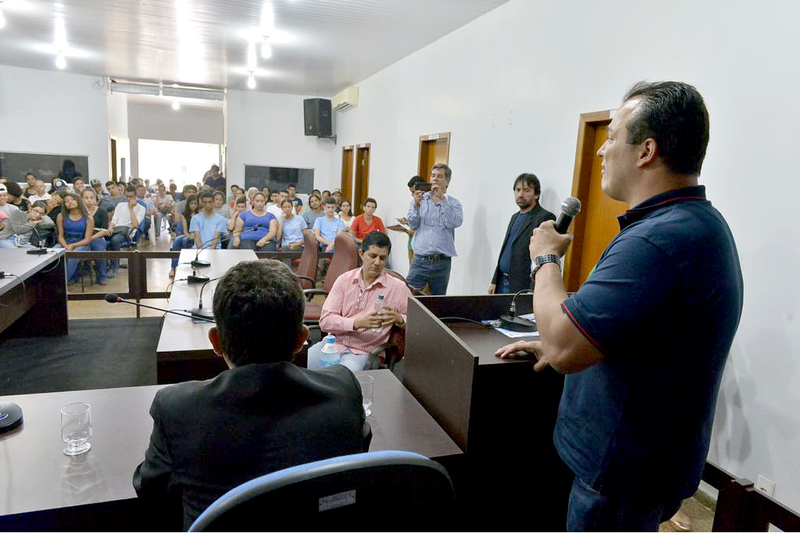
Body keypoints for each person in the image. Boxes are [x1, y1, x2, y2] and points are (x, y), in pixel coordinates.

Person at [495, 81, 744, 532]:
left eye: (611, 136)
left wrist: (545, 259)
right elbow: (641, 333)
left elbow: (565, 347)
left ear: (646, 151)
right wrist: (559, 340)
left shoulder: (657, 240)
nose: (602, 150)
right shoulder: (696, 222)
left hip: (621, 473)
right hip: (642, 466)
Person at [133, 259, 371, 529]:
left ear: (216, 342)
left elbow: (151, 493)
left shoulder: (177, 409)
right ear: (301, 339)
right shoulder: (344, 390)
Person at [307, 231, 411, 372]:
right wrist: (356, 323)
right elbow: (325, 321)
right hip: (333, 344)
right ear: (361, 254)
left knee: (340, 378)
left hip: (364, 352)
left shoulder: (397, 288)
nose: (377, 263)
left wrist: (400, 319)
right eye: (372, 256)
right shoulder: (345, 280)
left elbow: (419, 324)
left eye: (382, 258)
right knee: (301, 366)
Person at [489, 173, 556, 294]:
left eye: (526, 190)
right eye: (518, 190)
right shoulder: (514, 217)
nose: (521, 194)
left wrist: (532, 289)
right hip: (501, 282)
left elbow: (542, 258)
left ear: (536, 194)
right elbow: (506, 249)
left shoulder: (544, 217)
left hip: (522, 286)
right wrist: (494, 280)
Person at [406, 163, 463, 295]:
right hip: (420, 260)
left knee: (438, 301)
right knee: (408, 295)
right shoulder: (419, 200)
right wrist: (416, 205)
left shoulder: (453, 203)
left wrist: (443, 200)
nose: (435, 179)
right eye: (433, 176)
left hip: (442, 263)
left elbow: (455, 222)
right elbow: (412, 224)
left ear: (447, 181)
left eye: (440, 176)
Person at [54, 192, 94, 284]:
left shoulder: (88, 218)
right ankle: (51, 280)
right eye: (66, 201)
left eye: (72, 199)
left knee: (73, 255)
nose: (70, 202)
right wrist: (66, 246)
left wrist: (72, 246)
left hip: (82, 245)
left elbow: (87, 239)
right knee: (54, 252)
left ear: (78, 201)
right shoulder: (61, 216)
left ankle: (62, 283)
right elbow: (60, 236)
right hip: (65, 243)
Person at [108, 185, 146, 277]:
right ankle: (109, 264)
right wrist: (110, 227)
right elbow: (114, 219)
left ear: (135, 196)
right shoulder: (120, 205)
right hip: (116, 229)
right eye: (127, 196)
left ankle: (114, 267)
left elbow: (135, 225)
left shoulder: (141, 208)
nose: (129, 199)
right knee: (103, 239)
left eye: (131, 197)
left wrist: (131, 208)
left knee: (115, 240)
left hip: (127, 232)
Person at [81, 188, 110, 285]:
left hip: (97, 237)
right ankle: (75, 275)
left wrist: (89, 239)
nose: (89, 200)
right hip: (81, 238)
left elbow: (104, 230)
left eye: (91, 197)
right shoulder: (79, 211)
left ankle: (102, 275)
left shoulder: (102, 211)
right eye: (86, 198)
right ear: (81, 199)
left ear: (95, 199)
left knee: (99, 248)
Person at [168, 194, 199, 277]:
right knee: (177, 240)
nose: (193, 205)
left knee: (185, 241)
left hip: (198, 235)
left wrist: (195, 235)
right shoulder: (184, 214)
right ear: (188, 204)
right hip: (187, 234)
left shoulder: (200, 214)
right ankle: (173, 267)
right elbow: (185, 230)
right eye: (191, 203)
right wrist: (188, 235)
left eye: (195, 204)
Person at [0, 184, 29, 248]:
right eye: (0, 195)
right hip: (2, 239)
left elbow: (20, 226)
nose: (2, 198)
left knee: (32, 249)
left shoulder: (14, 208)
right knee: (14, 250)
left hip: (14, 238)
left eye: (4, 195)